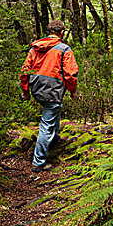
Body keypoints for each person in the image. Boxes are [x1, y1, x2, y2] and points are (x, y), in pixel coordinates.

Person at [20, 20, 78, 172]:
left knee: (53, 109)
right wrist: (73, 90)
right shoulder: (64, 49)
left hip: (37, 88)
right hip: (53, 89)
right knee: (48, 121)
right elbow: (70, 73)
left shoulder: (35, 48)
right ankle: (38, 162)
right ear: (61, 33)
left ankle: (54, 141)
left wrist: (25, 90)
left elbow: (25, 70)